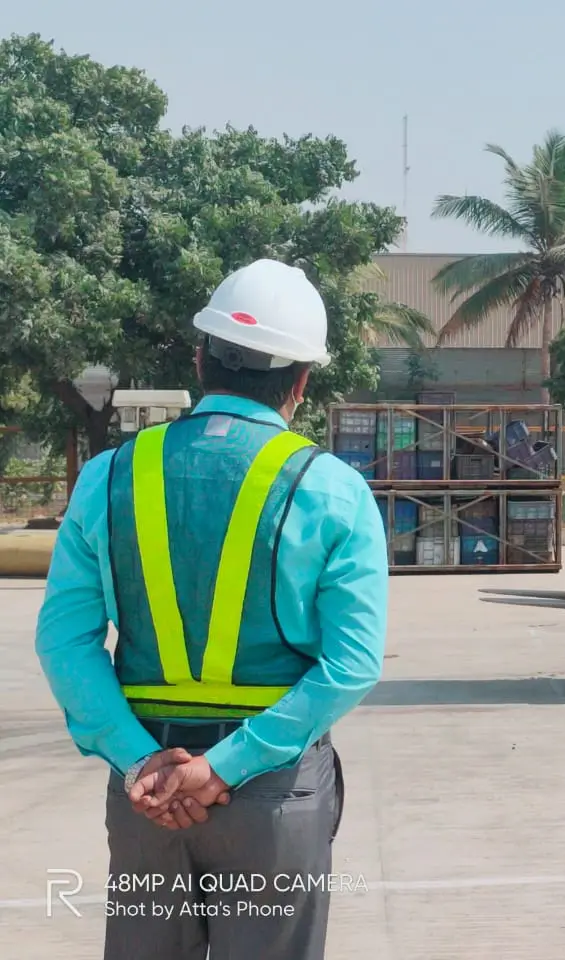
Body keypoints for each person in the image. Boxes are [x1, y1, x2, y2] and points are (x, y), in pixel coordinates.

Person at [34, 258, 388, 960]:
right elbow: (350, 664)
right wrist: (223, 767)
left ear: (201, 359)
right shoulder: (332, 488)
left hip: (149, 792)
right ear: (302, 381)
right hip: (273, 794)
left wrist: (142, 763)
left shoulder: (110, 475)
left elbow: (64, 642)